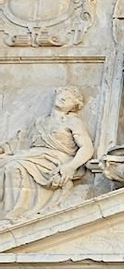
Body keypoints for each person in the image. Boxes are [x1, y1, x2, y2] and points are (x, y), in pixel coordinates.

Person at [0, 85, 95, 221]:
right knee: (4, 163)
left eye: (69, 98)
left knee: (14, 166)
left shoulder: (73, 122)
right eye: (63, 94)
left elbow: (87, 147)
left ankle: (17, 211)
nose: (64, 98)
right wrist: (5, 149)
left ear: (73, 106)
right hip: (32, 155)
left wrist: (71, 167)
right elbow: (22, 141)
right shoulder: (40, 121)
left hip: (55, 159)